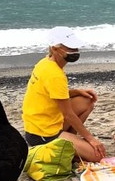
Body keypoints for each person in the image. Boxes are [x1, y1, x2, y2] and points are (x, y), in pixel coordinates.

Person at [22, 26, 106, 162]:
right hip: (43, 133)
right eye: (70, 48)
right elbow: (68, 114)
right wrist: (91, 139)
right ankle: (64, 146)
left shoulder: (45, 63)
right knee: (98, 156)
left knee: (87, 100)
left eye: (76, 48)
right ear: (55, 49)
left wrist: (77, 92)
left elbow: (52, 93)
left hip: (38, 124)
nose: (75, 52)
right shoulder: (54, 74)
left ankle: (69, 140)